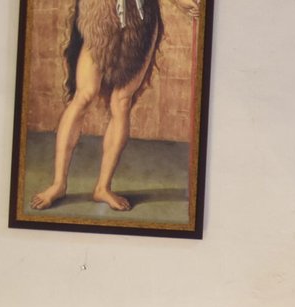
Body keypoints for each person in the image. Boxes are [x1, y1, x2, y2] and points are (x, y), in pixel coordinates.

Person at [29, 0, 201, 212]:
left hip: (140, 19)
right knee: (85, 95)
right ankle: (58, 184)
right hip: (100, 12)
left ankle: (103, 187)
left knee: (121, 101)